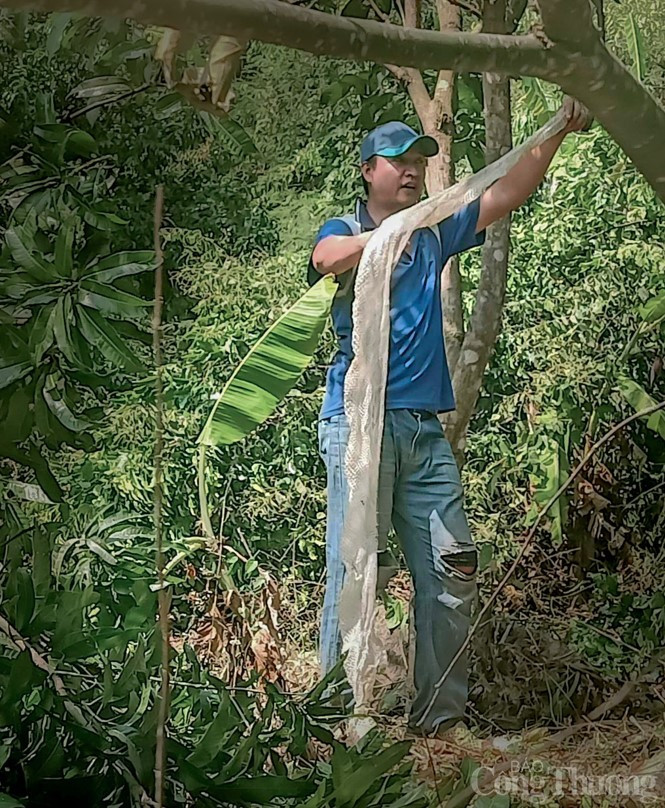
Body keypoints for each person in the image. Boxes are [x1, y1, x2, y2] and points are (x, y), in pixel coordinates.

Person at [307, 98, 589, 737]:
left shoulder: (434, 230)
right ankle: (333, 719)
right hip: (360, 427)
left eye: (418, 161)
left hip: (425, 432)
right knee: (356, 569)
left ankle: (440, 722)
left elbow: (506, 193)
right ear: (367, 170)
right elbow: (327, 259)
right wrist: (384, 239)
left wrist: (555, 134)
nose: (410, 171)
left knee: (453, 566)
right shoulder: (345, 226)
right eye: (397, 161)